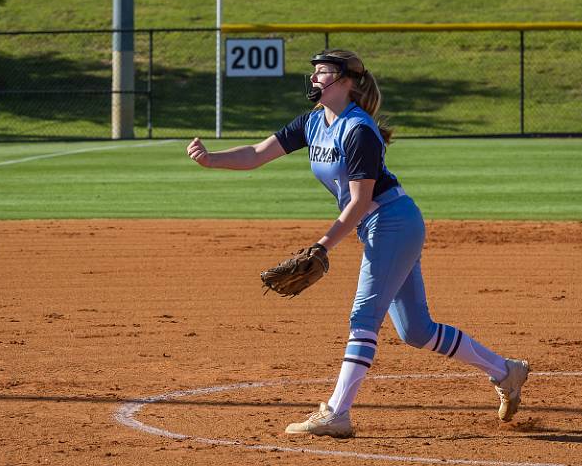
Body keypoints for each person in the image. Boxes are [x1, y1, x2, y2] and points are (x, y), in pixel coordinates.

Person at [186, 49, 529, 438]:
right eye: (313, 72)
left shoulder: (359, 130)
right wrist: (211, 159)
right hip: (383, 226)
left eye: (323, 72)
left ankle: (337, 412)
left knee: (363, 318)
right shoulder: (314, 122)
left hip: (392, 222)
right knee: (416, 331)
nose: (315, 78)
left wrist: (321, 246)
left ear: (346, 81)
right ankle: (506, 371)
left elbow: (361, 201)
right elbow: (257, 154)